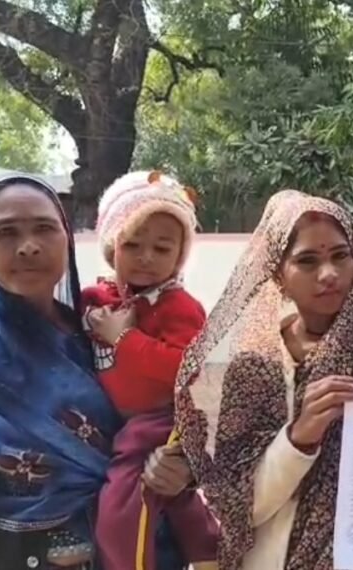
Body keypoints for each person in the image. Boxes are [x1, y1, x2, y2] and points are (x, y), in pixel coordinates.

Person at [0, 175, 194, 570]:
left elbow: (179, 420)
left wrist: (182, 470)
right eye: (5, 232)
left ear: (68, 240)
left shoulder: (102, 335)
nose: (29, 246)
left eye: (45, 228)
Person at [173, 190, 353, 570]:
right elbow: (239, 508)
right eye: (307, 260)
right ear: (278, 273)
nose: (329, 274)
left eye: (340, 256)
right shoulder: (251, 366)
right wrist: (300, 438)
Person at [82, 171, 218, 569]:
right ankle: (208, 548)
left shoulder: (179, 307)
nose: (146, 257)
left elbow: (185, 368)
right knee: (172, 495)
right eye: (132, 245)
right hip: (126, 420)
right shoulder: (96, 298)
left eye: (161, 248)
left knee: (124, 501)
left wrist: (125, 340)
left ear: (179, 256)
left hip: (163, 417)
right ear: (111, 246)